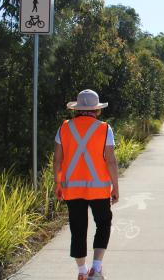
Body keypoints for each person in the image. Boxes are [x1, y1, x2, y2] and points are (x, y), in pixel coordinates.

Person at [53, 89, 119, 280]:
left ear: (77, 109)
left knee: (78, 229)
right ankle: (96, 269)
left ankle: (82, 272)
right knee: (104, 224)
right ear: (96, 110)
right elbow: (111, 161)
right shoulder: (105, 128)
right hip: (99, 189)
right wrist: (116, 186)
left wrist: (58, 184)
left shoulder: (64, 128)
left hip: (72, 189)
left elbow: (57, 160)